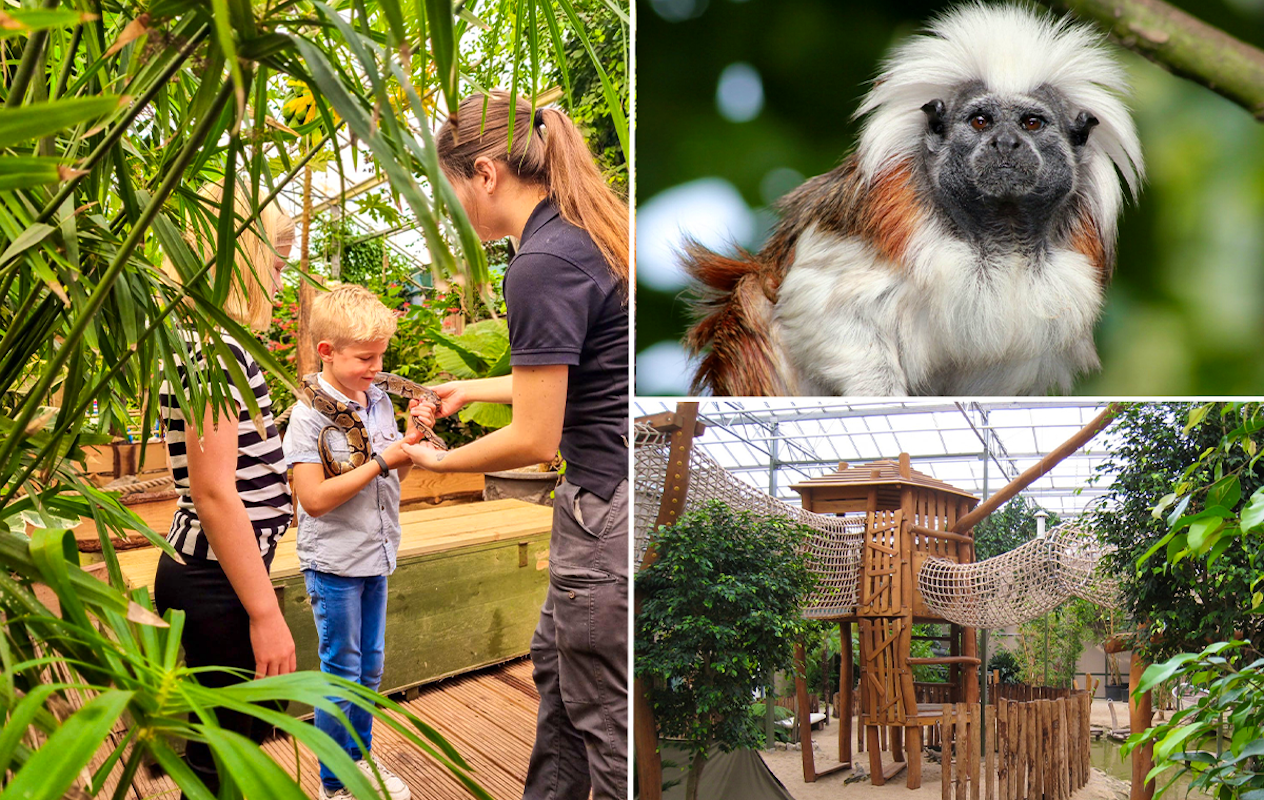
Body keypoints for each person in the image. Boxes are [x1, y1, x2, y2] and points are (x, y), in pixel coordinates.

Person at [402, 91, 630, 800]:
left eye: (455, 191)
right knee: (559, 672)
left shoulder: (540, 263)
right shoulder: (583, 227)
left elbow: (535, 437)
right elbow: (578, 376)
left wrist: (437, 461)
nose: (459, 212)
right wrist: (475, 390)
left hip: (603, 508)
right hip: (616, 492)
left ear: (487, 173)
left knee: (603, 716)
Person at [154, 183, 297, 795]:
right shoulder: (218, 350)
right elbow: (215, 493)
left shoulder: (195, 338)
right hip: (216, 582)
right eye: (277, 261)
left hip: (207, 570)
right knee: (228, 752)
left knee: (221, 744)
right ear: (242, 257)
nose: (281, 277)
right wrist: (266, 614)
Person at [283, 284, 421, 800]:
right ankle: (335, 785)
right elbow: (313, 499)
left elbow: (389, 476)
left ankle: (359, 762)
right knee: (340, 671)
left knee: (370, 668)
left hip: (376, 553)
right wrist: (385, 460)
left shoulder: (378, 400)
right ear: (327, 351)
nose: (377, 365)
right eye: (366, 357)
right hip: (335, 562)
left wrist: (410, 441)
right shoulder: (309, 416)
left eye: (381, 354)